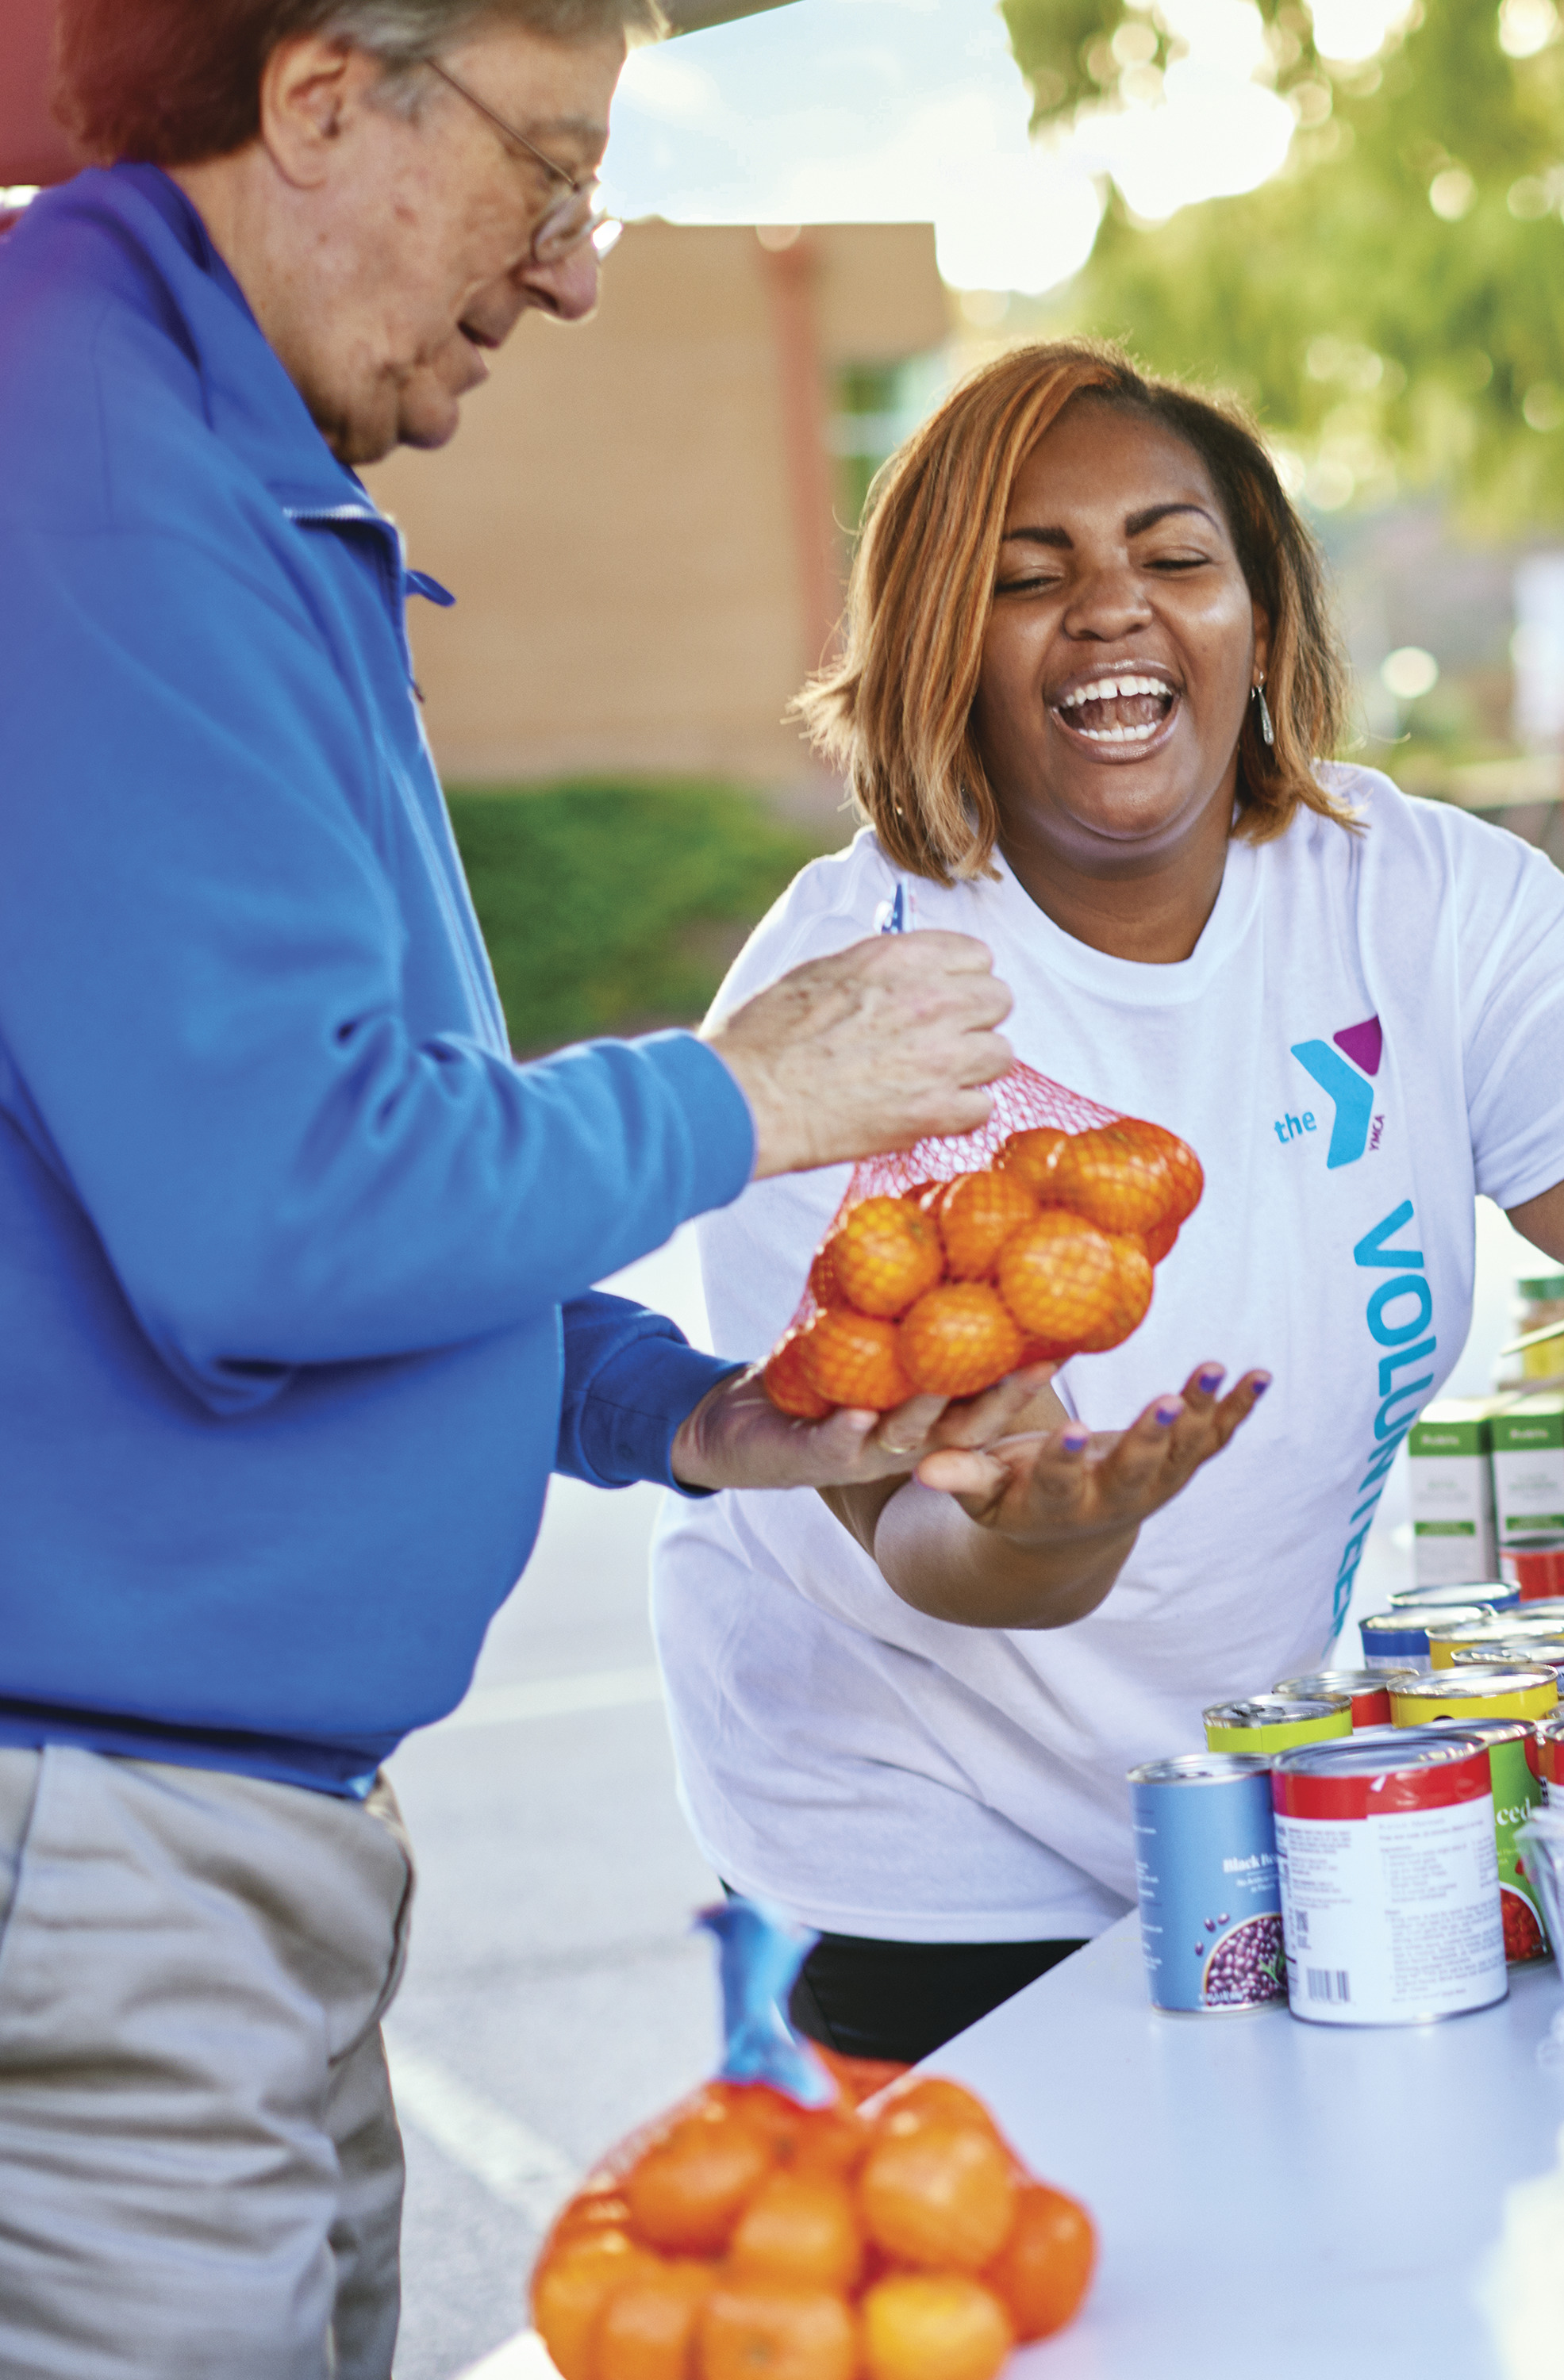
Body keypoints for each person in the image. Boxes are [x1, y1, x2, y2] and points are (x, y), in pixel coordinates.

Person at [0, 4, 1044, 2374]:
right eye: (554, 172)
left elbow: (289, 1156)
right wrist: (742, 1094)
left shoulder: (189, 454)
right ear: (319, 96)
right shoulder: (86, 457)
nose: (575, 272)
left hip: (211, 1843)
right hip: (101, 1846)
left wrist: (689, 1412)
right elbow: (275, 1214)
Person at [648, 340, 1564, 2063]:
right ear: (944, 644)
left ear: (1263, 623)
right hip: (922, 1851)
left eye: (1175, 558)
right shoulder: (859, 1002)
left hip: (1251, 1777)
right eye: (1029, 577)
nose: (1112, 613)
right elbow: (923, 1536)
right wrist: (1048, 1521)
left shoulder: (1418, 894)